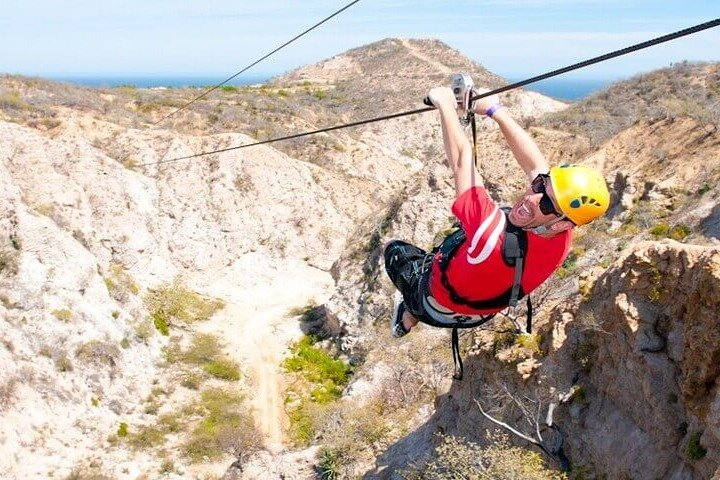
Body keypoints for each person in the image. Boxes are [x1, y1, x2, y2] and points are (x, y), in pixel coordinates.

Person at [384, 86, 610, 337]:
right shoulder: (564, 232)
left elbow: (461, 161)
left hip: (433, 304)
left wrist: (445, 104)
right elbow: (536, 165)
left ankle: (408, 316)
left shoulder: (490, 234)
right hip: (478, 314)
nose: (532, 198)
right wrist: (495, 110)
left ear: (561, 223)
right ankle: (410, 318)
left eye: (546, 204)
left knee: (395, 250)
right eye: (539, 186)